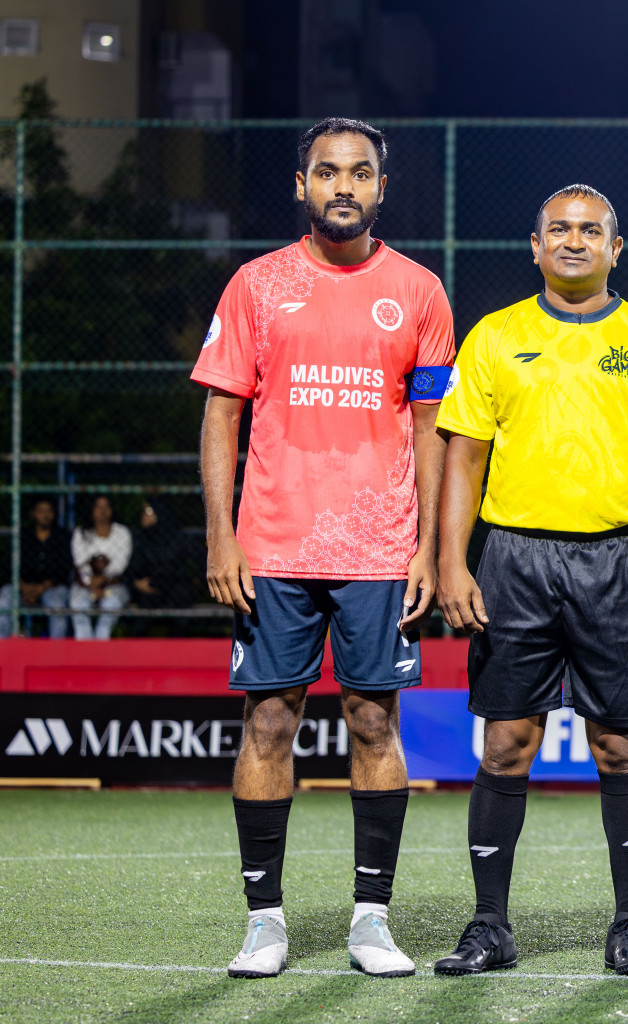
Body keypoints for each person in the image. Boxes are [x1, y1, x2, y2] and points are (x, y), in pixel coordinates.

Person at [194, 117, 455, 979]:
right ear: (300, 185)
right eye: (327, 172)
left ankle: (371, 919)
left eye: (360, 173)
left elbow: (430, 427)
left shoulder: (419, 291)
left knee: (375, 719)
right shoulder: (256, 286)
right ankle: (263, 921)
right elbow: (221, 415)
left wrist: (423, 546)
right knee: (269, 719)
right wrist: (222, 536)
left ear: (383, 187)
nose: (343, 185)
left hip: (380, 550)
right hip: (271, 543)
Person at [431, 185, 628, 978]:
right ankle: (489, 926)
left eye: (591, 231)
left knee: (618, 746)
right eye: (560, 230)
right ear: (535, 245)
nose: (574, 241)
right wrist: (452, 559)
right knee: (507, 743)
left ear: (616, 249)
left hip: (621, 560)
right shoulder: (494, 336)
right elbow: (463, 460)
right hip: (514, 560)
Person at [0, 497, 72, 638]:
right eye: (40, 511)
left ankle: (57, 655)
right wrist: (23, 586)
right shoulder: (23, 536)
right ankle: (3, 647)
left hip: (51, 588)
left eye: (48, 511)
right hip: (22, 587)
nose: (45, 515)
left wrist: (41, 588)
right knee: (4, 599)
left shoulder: (62, 537)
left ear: (54, 514)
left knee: (57, 607)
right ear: (33, 514)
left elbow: (64, 569)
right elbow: (8, 565)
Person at [125, 501, 196, 634]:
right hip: (150, 592)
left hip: (174, 591)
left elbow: (178, 568)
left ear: (159, 514)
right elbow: (131, 567)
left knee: (180, 617)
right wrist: (136, 583)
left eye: (148, 512)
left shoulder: (175, 537)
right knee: (139, 624)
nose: (143, 515)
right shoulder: (140, 537)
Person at [70, 494, 132, 640]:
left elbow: (120, 563)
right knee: (78, 604)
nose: (102, 510)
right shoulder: (81, 533)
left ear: (111, 510)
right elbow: (80, 562)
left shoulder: (122, 533)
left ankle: (101, 651)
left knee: (111, 605)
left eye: (106, 506)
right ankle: (84, 653)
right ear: (91, 510)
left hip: (114, 584)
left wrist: (103, 579)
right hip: (85, 585)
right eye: (98, 506)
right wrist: (91, 583)